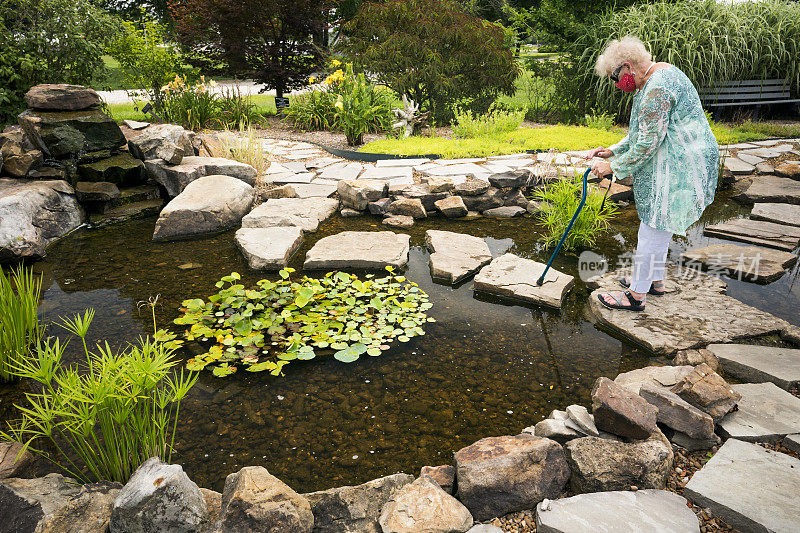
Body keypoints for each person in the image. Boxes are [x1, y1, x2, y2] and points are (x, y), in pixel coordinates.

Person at [586, 35, 719, 311]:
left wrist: (612, 167)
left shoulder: (656, 88)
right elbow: (642, 132)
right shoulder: (657, 74)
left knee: (652, 227)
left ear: (627, 67)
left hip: (681, 163)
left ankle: (636, 295)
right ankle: (654, 281)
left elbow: (648, 143)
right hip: (681, 157)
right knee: (660, 221)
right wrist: (612, 150)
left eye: (615, 77)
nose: (616, 84)